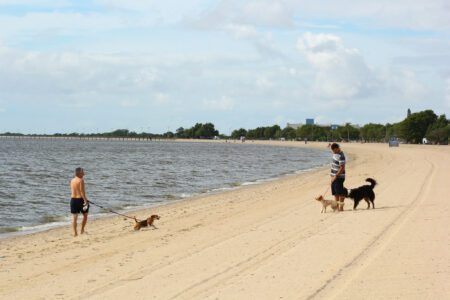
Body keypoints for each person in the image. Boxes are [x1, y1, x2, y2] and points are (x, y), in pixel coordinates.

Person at [70, 167, 89, 236]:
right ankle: (82, 230)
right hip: (80, 200)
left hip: (73, 200)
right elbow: (82, 192)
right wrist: (86, 201)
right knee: (85, 215)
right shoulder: (81, 180)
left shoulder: (72, 180)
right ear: (79, 173)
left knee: (74, 217)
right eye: (82, 171)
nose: (84, 172)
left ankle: (75, 233)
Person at [330, 143, 346, 211]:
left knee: (340, 193)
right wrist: (331, 176)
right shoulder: (335, 154)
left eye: (333, 150)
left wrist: (336, 176)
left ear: (336, 148)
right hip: (333, 177)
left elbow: (342, 168)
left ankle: (341, 208)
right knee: (335, 193)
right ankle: (336, 207)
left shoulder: (341, 156)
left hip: (339, 177)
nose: (332, 152)